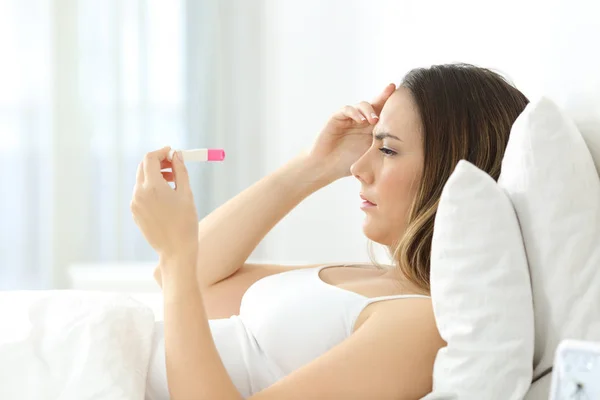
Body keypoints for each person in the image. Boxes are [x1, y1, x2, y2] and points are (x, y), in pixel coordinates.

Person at [130, 63, 530, 400]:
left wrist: (178, 252)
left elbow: (182, 270)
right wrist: (316, 164)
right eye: (370, 145)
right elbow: (183, 282)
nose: (358, 168)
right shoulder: (375, 278)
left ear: (449, 172)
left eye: (387, 149)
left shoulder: (422, 321)